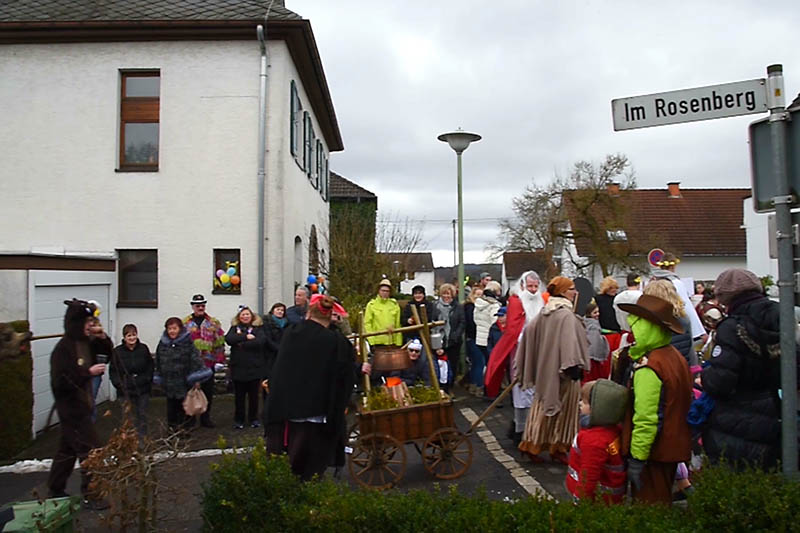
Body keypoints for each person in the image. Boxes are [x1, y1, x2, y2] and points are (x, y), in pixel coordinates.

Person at [265, 295, 356, 481]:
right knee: (310, 470)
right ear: (331, 315)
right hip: (316, 414)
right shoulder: (336, 342)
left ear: (308, 313)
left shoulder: (291, 333)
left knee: (285, 464)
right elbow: (344, 377)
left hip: (285, 409)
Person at [701, 268, 781, 470]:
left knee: (739, 478)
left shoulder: (732, 327)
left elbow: (720, 382)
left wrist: (705, 376)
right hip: (778, 411)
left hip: (737, 418)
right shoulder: (783, 316)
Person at [617, 294, 692, 504]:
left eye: (637, 322)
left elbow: (647, 419)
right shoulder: (673, 355)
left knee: (651, 509)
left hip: (654, 454)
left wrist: (637, 459)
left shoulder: (650, 367)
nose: (632, 328)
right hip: (671, 448)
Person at [47, 299, 112, 509]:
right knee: (91, 450)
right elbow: (60, 382)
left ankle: (55, 489)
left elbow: (107, 355)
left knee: (66, 451)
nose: (89, 326)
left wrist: (102, 338)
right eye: (86, 322)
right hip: (72, 410)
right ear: (76, 323)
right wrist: (87, 373)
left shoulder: (85, 343)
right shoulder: (63, 349)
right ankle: (91, 495)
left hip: (84, 406)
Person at [516, 277, 588, 464]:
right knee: (564, 410)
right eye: (572, 289)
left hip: (546, 371)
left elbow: (530, 332)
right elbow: (569, 342)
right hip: (565, 372)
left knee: (542, 405)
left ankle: (534, 444)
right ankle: (556, 446)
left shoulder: (546, 311)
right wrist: (571, 365)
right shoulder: (564, 314)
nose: (575, 292)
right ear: (563, 292)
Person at [485, 271, 545, 441]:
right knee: (521, 391)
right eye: (530, 286)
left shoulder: (542, 302)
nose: (533, 290)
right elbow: (513, 329)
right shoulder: (516, 302)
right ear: (523, 286)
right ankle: (520, 429)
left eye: (535, 286)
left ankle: (534, 428)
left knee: (536, 391)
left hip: (538, 353)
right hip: (520, 352)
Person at [566, 380, 627, 504]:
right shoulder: (612, 430)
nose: (579, 404)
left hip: (596, 500)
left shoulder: (594, 440)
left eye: (585, 402)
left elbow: (588, 476)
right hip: (608, 498)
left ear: (599, 409)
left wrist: (579, 501)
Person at [155, 317, 205, 432]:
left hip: (184, 382)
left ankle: (185, 431)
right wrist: (159, 376)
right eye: (169, 329)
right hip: (169, 382)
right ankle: (172, 431)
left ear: (180, 329)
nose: (172, 331)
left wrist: (196, 379)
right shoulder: (163, 343)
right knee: (171, 408)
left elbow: (195, 361)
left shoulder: (187, 343)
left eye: (174, 328)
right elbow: (158, 360)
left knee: (184, 408)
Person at [183, 294, 226, 428]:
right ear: (193, 307)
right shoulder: (184, 323)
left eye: (202, 305)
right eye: (198, 305)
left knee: (208, 392)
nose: (200, 308)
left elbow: (219, 343)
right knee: (189, 392)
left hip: (208, 363)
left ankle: (205, 418)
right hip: (190, 365)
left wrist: (220, 360)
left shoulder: (213, 323)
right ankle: (189, 419)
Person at [649, 252, 706, 343]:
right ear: (673, 267)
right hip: (677, 324)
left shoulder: (652, 282)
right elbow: (686, 307)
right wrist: (699, 331)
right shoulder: (676, 282)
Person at [226, 306, 268, 429]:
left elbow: (260, 342)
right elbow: (229, 339)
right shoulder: (234, 328)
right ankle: (239, 420)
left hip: (254, 368)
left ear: (252, 316)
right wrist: (245, 337)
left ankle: (253, 419)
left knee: (254, 396)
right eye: (243, 315)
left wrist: (241, 343)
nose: (245, 317)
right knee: (239, 397)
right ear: (239, 317)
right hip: (238, 368)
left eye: (247, 314)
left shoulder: (258, 329)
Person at [110, 323, 154, 437]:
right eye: (129, 335)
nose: (132, 338)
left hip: (142, 388)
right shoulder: (117, 352)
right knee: (127, 417)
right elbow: (113, 371)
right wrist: (120, 385)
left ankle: (142, 439)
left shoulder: (143, 349)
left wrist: (146, 379)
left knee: (142, 415)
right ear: (124, 337)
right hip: (125, 390)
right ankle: (128, 440)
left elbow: (150, 366)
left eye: (134, 335)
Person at [432, 283, 465, 390]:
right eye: (444, 294)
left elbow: (462, 322)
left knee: (452, 365)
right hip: (439, 340)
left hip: (453, 341)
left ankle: (450, 387)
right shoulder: (435, 306)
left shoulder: (458, 307)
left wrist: (456, 335)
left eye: (449, 294)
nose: (446, 297)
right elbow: (431, 323)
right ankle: (440, 387)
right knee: (440, 365)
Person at [474, 280, 502, 385]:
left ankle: (482, 385)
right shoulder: (494, 305)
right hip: (490, 340)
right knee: (491, 365)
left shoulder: (478, 303)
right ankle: (489, 386)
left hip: (479, 338)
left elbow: (475, 319)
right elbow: (495, 322)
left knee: (485, 363)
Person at [363, 278, 402, 347]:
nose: (385, 293)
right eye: (383, 291)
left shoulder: (394, 304)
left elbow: (398, 324)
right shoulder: (372, 305)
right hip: (377, 342)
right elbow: (367, 323)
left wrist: (398, 342)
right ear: (379, 291)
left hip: (391, 341)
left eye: (387, 291)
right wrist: (371, 340)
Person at [582, 303, 611, 383]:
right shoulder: (593, 326)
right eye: (595, 312)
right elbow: (594, 343)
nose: (597, 314)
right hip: (593, 358)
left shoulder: (584, 322)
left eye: (598, 312)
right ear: (589, 313)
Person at [463, 287, 482, 390]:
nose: (479, 297)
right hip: (474, 338)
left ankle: (473, 384)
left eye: (481, 295)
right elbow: (471, 324)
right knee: (479, 362)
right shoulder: (470, 308)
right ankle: (477, 385)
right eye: (477, 295)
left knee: (476, 363)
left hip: (476, 337)